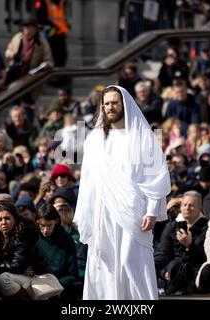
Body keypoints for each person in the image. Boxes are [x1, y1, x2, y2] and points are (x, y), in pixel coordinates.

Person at [73, 85, 171, 300]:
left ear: (124, 104)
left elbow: (156, 177)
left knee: (131, 261)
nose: (110, 107)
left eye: (114, 102)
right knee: (104, 263)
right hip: (102, 210)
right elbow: (88, 180)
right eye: (106, 103)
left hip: (133, 210)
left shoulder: (143, 137)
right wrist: (85, 212)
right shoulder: (94, 140)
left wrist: (152, 211)